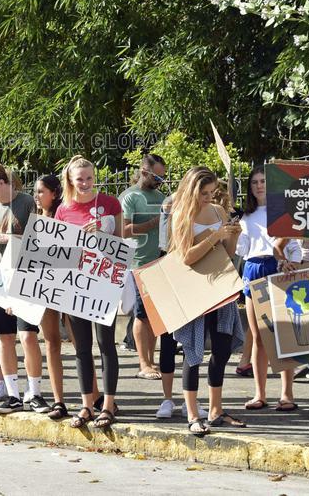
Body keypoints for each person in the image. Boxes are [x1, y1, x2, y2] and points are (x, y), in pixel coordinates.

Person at [169, 166, 246, 436]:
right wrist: (214, 235)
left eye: (213, 192)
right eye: (204, 193)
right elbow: (186, 256)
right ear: (192, 190)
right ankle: (192, 414)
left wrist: (233, 237)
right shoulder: (180, 214)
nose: (209, 198)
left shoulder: (218, 211)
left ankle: (216, 409)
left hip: (221, 286)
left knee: (222, 348)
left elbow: (228, 253)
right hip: (195, 290)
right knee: (193, 350)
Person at [0, 163, 49, 415]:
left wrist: (8, 239)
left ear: (2, 182)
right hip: (0, 281)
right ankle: (13, 394)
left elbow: (40, 241)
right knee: (4, 338)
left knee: (27, 336)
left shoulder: (27, 202)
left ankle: (35, 392)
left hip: (26, 277)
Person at [55, 156, 122, 429]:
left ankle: (107, 405)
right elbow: (56, 253)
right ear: (70, 180)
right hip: (75, 285)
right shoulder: (63, 210)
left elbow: (121, 243)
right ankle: (86, 405)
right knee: (82, 348)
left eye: (89, 178)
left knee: (106, 344)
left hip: (104, 281)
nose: (84, 183)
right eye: (79, 179)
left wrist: (102, 236)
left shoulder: (109, 203)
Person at [238, 166, 302, 413]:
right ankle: (259, 393)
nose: (259, 186)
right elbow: (242, 250)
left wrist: (293, 262)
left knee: (283, 333)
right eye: (254, 182)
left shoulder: (283, 211)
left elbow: (294, 243)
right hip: (253, 268)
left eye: (263, 181)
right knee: (258, 336)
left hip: (278, 268)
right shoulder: (246, 216)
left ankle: (287, 393)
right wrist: (234, 232)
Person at [120, 154, 168, 381]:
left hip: (158, 262)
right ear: (145, 171)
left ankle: (150, 359)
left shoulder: (160, 196)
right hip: (137, 263)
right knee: (142, 315)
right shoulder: (129, 197)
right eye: (157, 176)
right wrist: (152, 224)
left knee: (154, 315)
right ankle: (143, 363)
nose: (160, 181)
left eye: (163, 177)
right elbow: (124, 230)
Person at [34, 174, 72, 420]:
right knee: (51, 343)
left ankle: (94, 396)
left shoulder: (65, 216)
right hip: (46, 288)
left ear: (54, 193)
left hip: (68, 286)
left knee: (79, 344)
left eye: (40, 192)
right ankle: (59, 400)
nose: (36, 196)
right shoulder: (37, 220)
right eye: (36, 192)